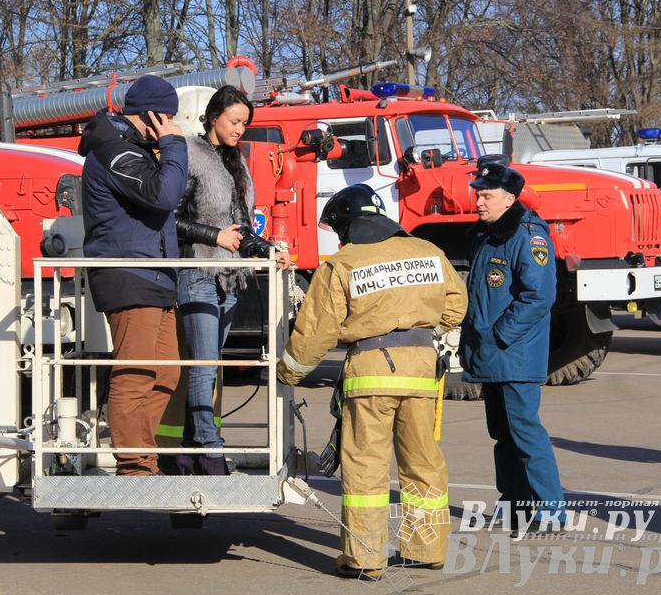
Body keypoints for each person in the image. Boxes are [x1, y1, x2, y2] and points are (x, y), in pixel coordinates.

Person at [277, 184, 467, 578]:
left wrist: (288, 372)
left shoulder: (342, 264)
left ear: (347, 226)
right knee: (423, 462)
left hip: (370, 374)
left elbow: (317, 331)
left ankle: (365, 558)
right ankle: (426, 548)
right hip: (421, 372)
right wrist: (419, 332)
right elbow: (455, 306)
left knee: (366, 467)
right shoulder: (429, 251)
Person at [173, 85, 289, 476]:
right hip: (198, 273)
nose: (240, 129)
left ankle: (189, 452)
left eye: (244, 124)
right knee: (204, 367)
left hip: (231, 279)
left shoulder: (236, 161)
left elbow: (241, 228)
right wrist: (214, 236)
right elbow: (171, 220)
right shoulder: (190, 154)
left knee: (210, 367)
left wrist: (270, 250)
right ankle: (210, 450)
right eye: (234, 121)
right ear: (213, 116)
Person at [78, 75, 187, 476]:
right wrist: (173, 145)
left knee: (166, 372)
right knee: (136, 373)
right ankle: (134, 465)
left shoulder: (134, 150)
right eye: (169, 117)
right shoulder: (116, 152)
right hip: (129, 274)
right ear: (152, 115)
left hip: (154, 276)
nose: (173, 125)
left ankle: (143, 457)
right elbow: (164, 194)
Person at [459, 161, 567, 531]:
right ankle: (516, 507)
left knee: (525, 434)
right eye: (478, 194)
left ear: (509, 199)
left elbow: (539, 296)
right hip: (492, 354)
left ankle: (550, 512)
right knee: (503, 436)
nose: (479, 201)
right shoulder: (487, 235)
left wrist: (499, 335)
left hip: (514, 355)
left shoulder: (528, 236)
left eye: (487, 196)